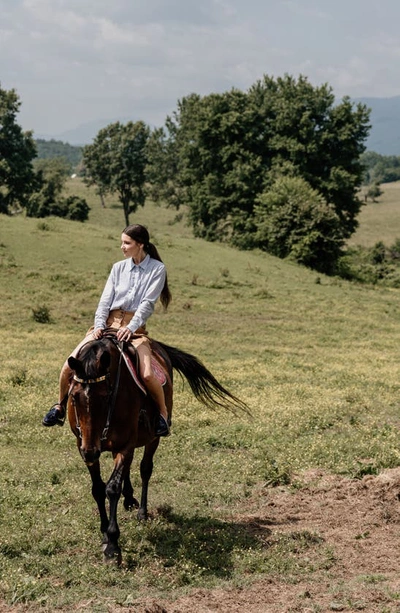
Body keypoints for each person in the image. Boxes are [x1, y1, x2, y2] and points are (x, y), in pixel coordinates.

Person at [42, 223, 172, 437]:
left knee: (148, 375)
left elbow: (147, 303)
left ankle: (163, 415)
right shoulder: (118, 268)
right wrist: (99, 326)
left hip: (135, 329)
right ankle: (59, 407)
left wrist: (130, 328)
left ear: (140, 245)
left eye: (127, 243)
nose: (122, 247)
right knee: (68, 366)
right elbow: (105, 300)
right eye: (122, 242)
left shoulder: (157, 269)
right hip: (107, 325)